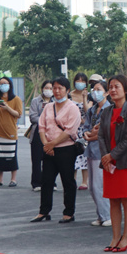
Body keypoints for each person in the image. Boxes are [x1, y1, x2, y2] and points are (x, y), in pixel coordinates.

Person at [98, 75, 127, 253]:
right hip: (109, 163)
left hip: (126, 161)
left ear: (126, 89)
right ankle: (115, 236)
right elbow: (101, 135)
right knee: (113, 200)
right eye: (111, 87)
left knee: (126, 199)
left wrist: (112, 155)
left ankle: (126, 237)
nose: (113, 90)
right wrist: (105, 157)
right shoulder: (106, 112)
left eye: (117, 86)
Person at [31, 77, 81, 223]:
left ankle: (69, 213)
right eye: (54, 88)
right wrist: (46, 145)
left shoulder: (73, 108)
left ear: (67, 90)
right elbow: (41, 127)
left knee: (68, 181)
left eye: (60, 88)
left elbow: (70, 130)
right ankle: (44, 211)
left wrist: (51, 144)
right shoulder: (48, 107)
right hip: (48, 150)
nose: (57, 91)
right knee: (46, 181)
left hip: (66, 150)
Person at [82, 80, 112, 226]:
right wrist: (87, 134)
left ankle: (107, 215)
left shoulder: (109, 109)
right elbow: (86, 127)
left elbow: (104, 131)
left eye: (99, 89)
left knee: (99, 185)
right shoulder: (92, 110)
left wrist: (90, 135)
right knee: (92, 186)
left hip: (102, 150)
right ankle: (101, 214)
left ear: (106, 92)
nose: (95, 92)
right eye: (94, 89)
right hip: (91, 150)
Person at [0, 75, 23, 187]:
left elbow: (18, 114)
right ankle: (0, 180)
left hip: (10, 132)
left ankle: (13, 179)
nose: (3, 85)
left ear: (10, 85)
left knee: (12, 156)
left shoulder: (16, 99)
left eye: (5, 83)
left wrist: (7, 107)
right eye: (1, 84)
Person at [29, 80, 53, 191]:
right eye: (46, 88)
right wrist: (46, 121)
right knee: (36, 159)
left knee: (50, 159)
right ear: (42, 89)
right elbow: (33, 117)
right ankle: (36, 183)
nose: (49, 90)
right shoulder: (35, 101)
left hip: (52, 134)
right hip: (37, 132)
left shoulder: (55, 101)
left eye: (51, 88)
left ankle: (50, 182)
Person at [70, 72, 91, 190]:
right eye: (78, 80)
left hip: (84, 128)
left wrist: (84, 98)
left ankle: (84, 181)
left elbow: (89, 111)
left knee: (84, 154)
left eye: (83, 81)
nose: (80, 83)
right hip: (72, 128)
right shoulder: (69, 95)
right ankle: (72, 180)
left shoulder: (90, 96)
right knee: (72, 153)